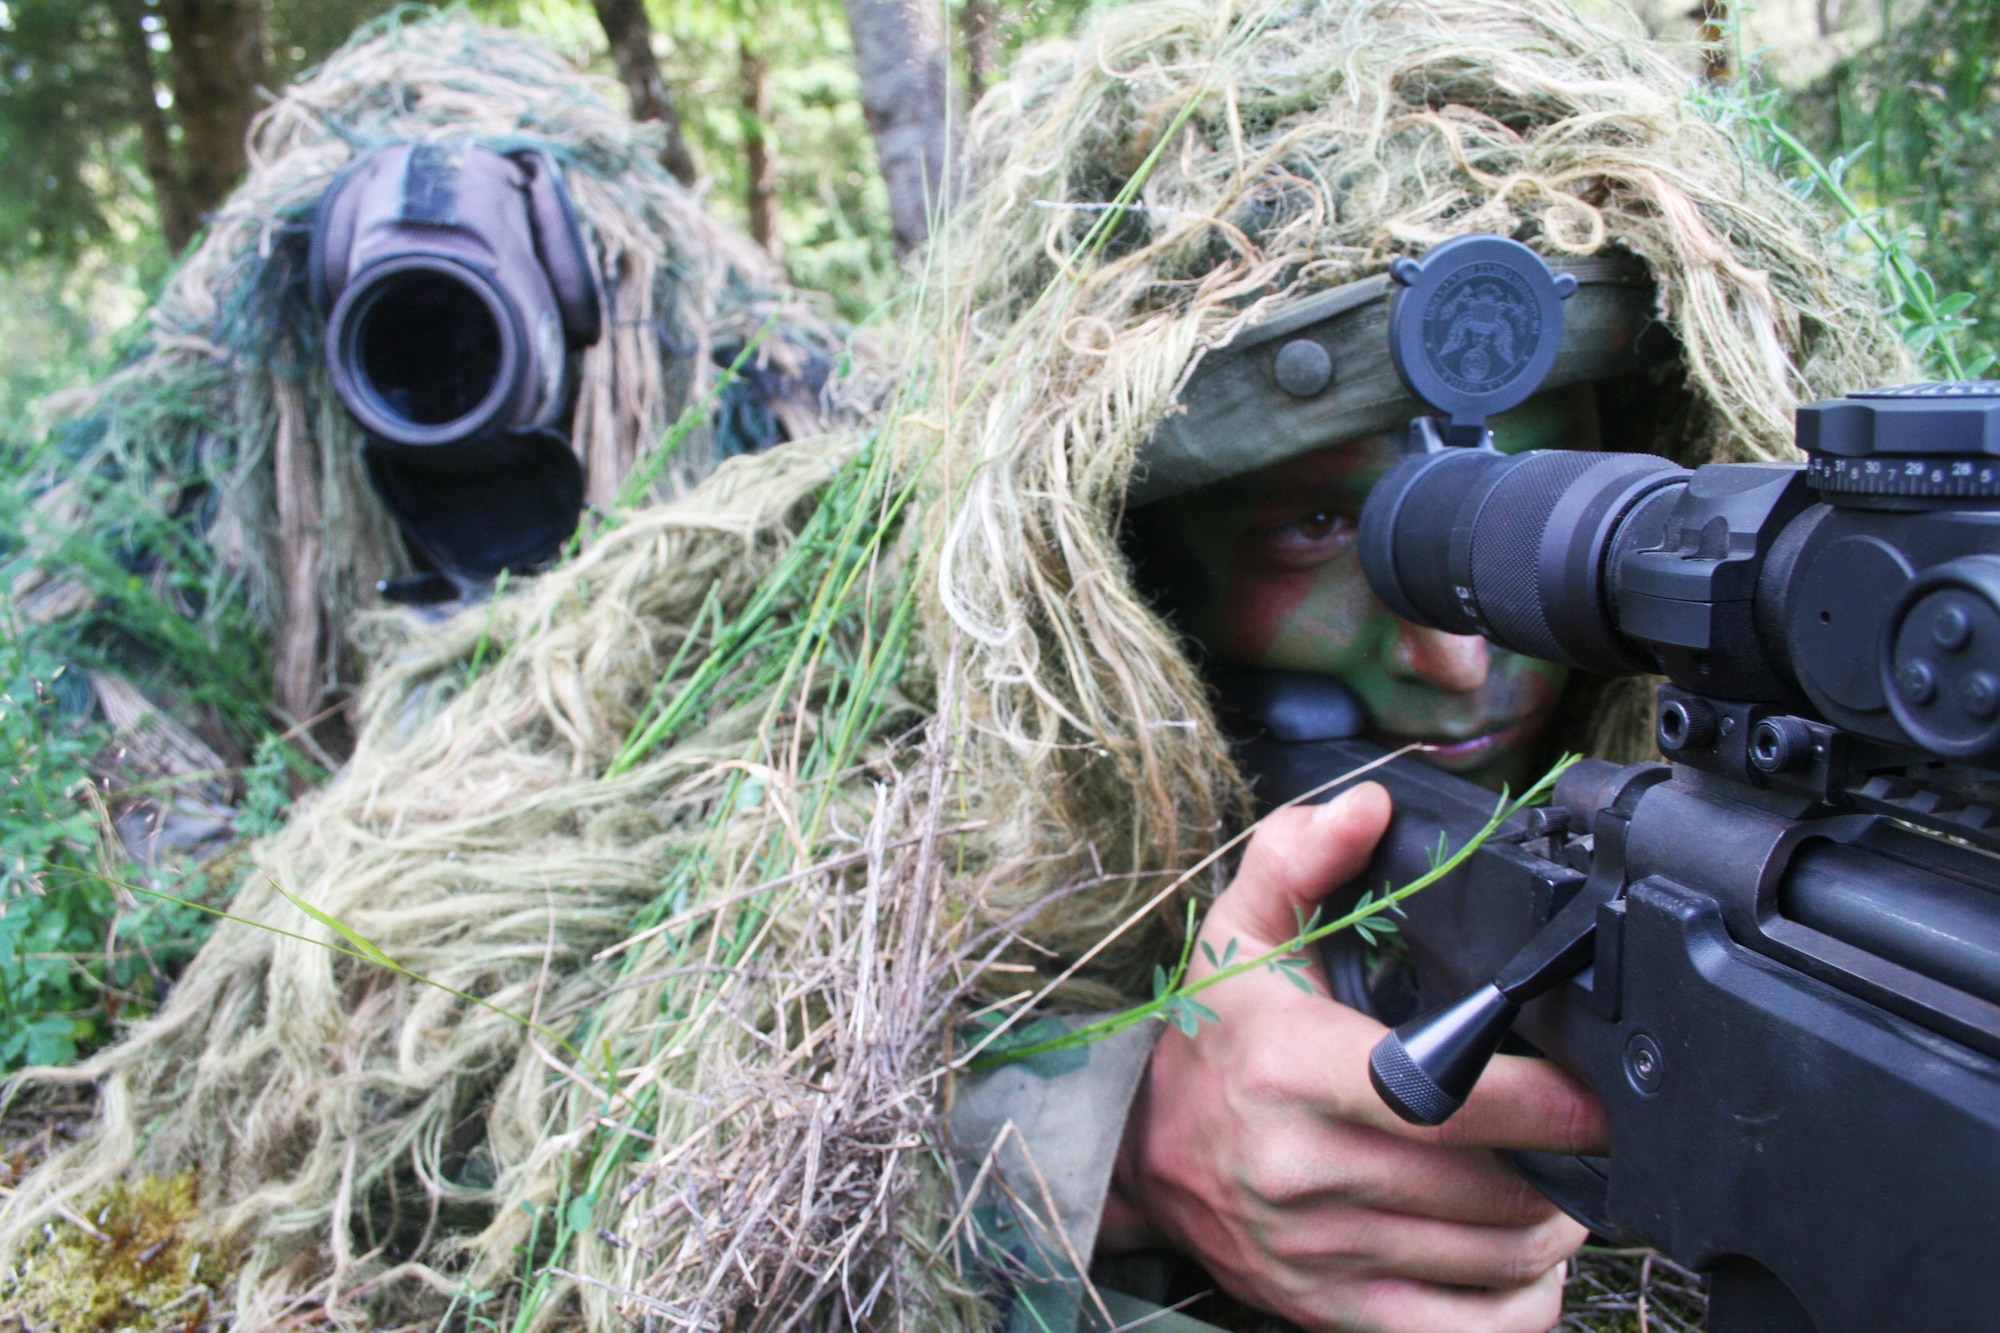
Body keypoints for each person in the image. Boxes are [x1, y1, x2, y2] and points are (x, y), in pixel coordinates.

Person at [0, 0, 1907, 1329]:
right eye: (1317, 528)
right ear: (1119, 565)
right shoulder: (873, 693)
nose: (1449, 645)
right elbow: (432, 1081)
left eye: (1553, 508)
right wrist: (1115, 1151)